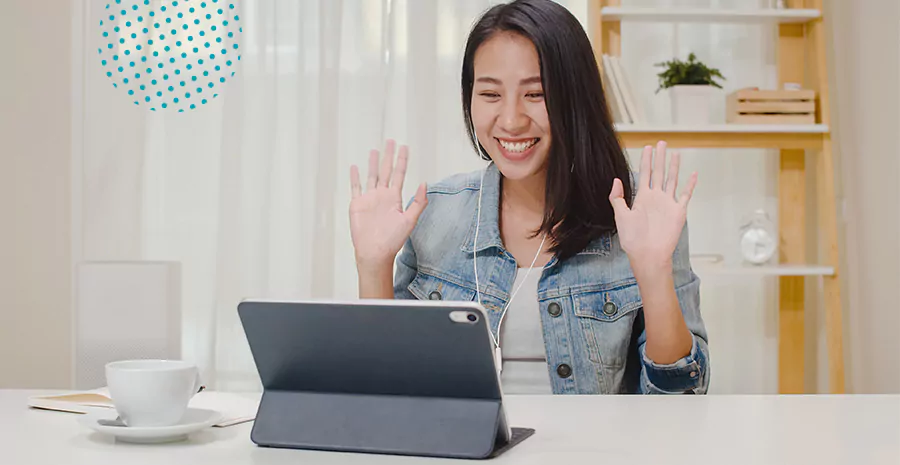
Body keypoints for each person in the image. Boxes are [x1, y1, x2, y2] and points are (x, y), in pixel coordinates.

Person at [348, 0, 709, 395]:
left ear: (575, 98)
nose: (511, 120)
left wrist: (653, 273)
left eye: (535, 94)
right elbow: (388, 388)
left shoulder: (640, 214)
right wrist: (373, 267)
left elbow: (681, 395)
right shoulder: (435, 214)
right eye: (490, 94)